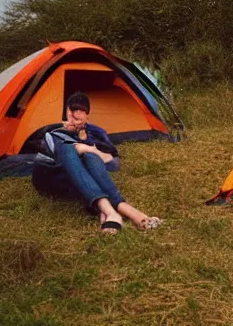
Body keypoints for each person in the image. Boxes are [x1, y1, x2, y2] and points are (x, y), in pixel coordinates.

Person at [32, 92, 162, 234]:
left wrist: (89, 148)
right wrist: (75, 144)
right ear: (67, 112)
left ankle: (113, 210)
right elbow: (44, 152)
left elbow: (113, 163)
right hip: (54, 176)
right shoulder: (54, 130)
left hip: (80, 181)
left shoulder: (96, 132)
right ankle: (116, 209)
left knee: (90, 156)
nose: (76, 123)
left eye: (80, 120)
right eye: (73, 117)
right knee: (68, 148)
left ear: (87, 116)